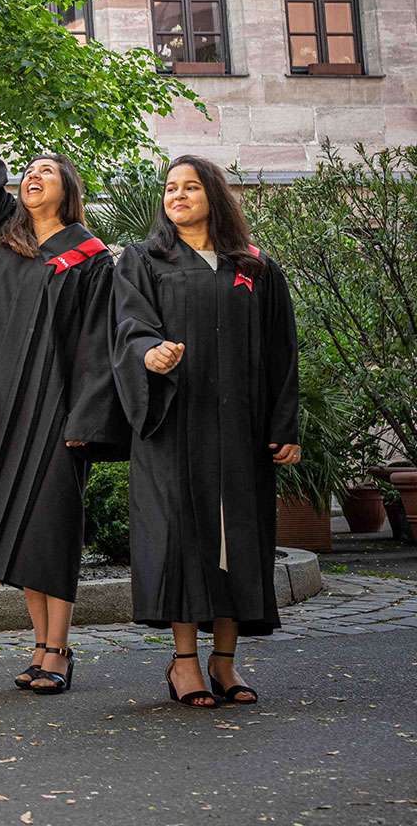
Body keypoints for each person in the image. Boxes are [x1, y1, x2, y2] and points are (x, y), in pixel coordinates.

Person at [0, 27, 125, 695]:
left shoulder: (91, 257)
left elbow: (102, 341)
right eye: (28, 172)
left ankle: (59, 651)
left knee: (52, 524)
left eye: (45, 172)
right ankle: (39, 645)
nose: (31, 178)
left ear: (69, 190)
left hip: (57, 408)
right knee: (20, 526)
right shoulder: (2, 242)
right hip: (2, 403)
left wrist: (87, 416)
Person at [112, 155, 301, 708]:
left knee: (236, 540)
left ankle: (225, 662)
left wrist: (283, 423)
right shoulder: (143, 261)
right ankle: (184, 663)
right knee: (181, 538)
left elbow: (281, 352)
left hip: (241, 427)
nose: (178, 195)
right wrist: (151, 354)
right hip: (174, 424)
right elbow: (128, 328)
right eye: (170, 188)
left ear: (213, 195)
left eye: (190, 186)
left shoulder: (255, 267)